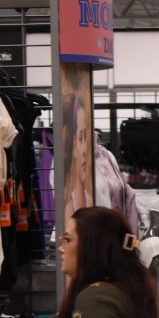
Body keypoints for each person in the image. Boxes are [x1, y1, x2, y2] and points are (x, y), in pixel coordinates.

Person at [62, 91, 92, 225]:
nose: (85, 149)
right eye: (81, 138)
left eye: (86, 137)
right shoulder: (66, 209)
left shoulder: (90, 200)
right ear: (72, 142)